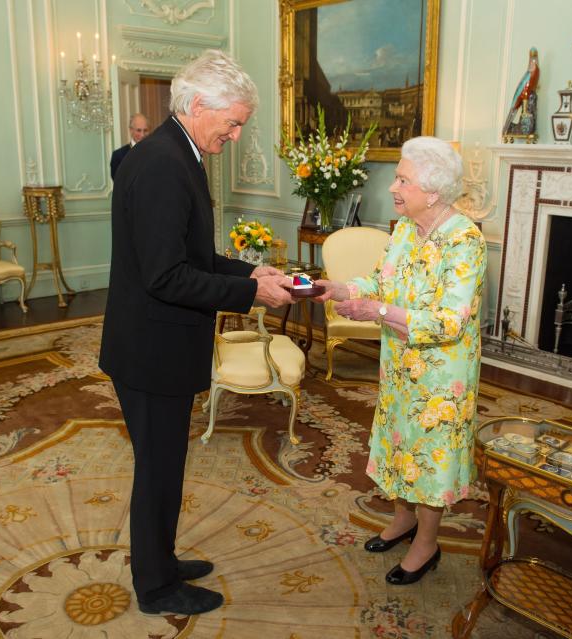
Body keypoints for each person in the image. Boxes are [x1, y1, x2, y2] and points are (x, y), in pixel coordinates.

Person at [99, 50, 292, 617]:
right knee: (159, 470)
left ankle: (159, 560)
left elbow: (189, 255)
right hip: (151, 351)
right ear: (198, 105)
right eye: (232, 121)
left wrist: (248, 271)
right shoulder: (163, 162)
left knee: (163, 465)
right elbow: (166, 276)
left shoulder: (171, 152)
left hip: (153, 346)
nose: (235, 134)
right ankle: (157, 588)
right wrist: (250, 293)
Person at [314, 136, 486, 585]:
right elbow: (380, 279)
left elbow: (450, 322)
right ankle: (403, 519)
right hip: (400, 361)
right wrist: (342, 289)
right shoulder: (407, 227)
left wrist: (380, 312)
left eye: (402, 179)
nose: (393, 186)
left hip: (440, 374)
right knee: (400, 441)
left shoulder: (465, 240)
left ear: (433, 191)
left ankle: (427, 543)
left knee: (430, 455)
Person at [110, 113, 149, 179]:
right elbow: (119, 184)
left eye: (145, 130)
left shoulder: (156, 152)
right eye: (138, 130)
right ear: (131, 130)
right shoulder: (118, 155)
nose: (142, 135)